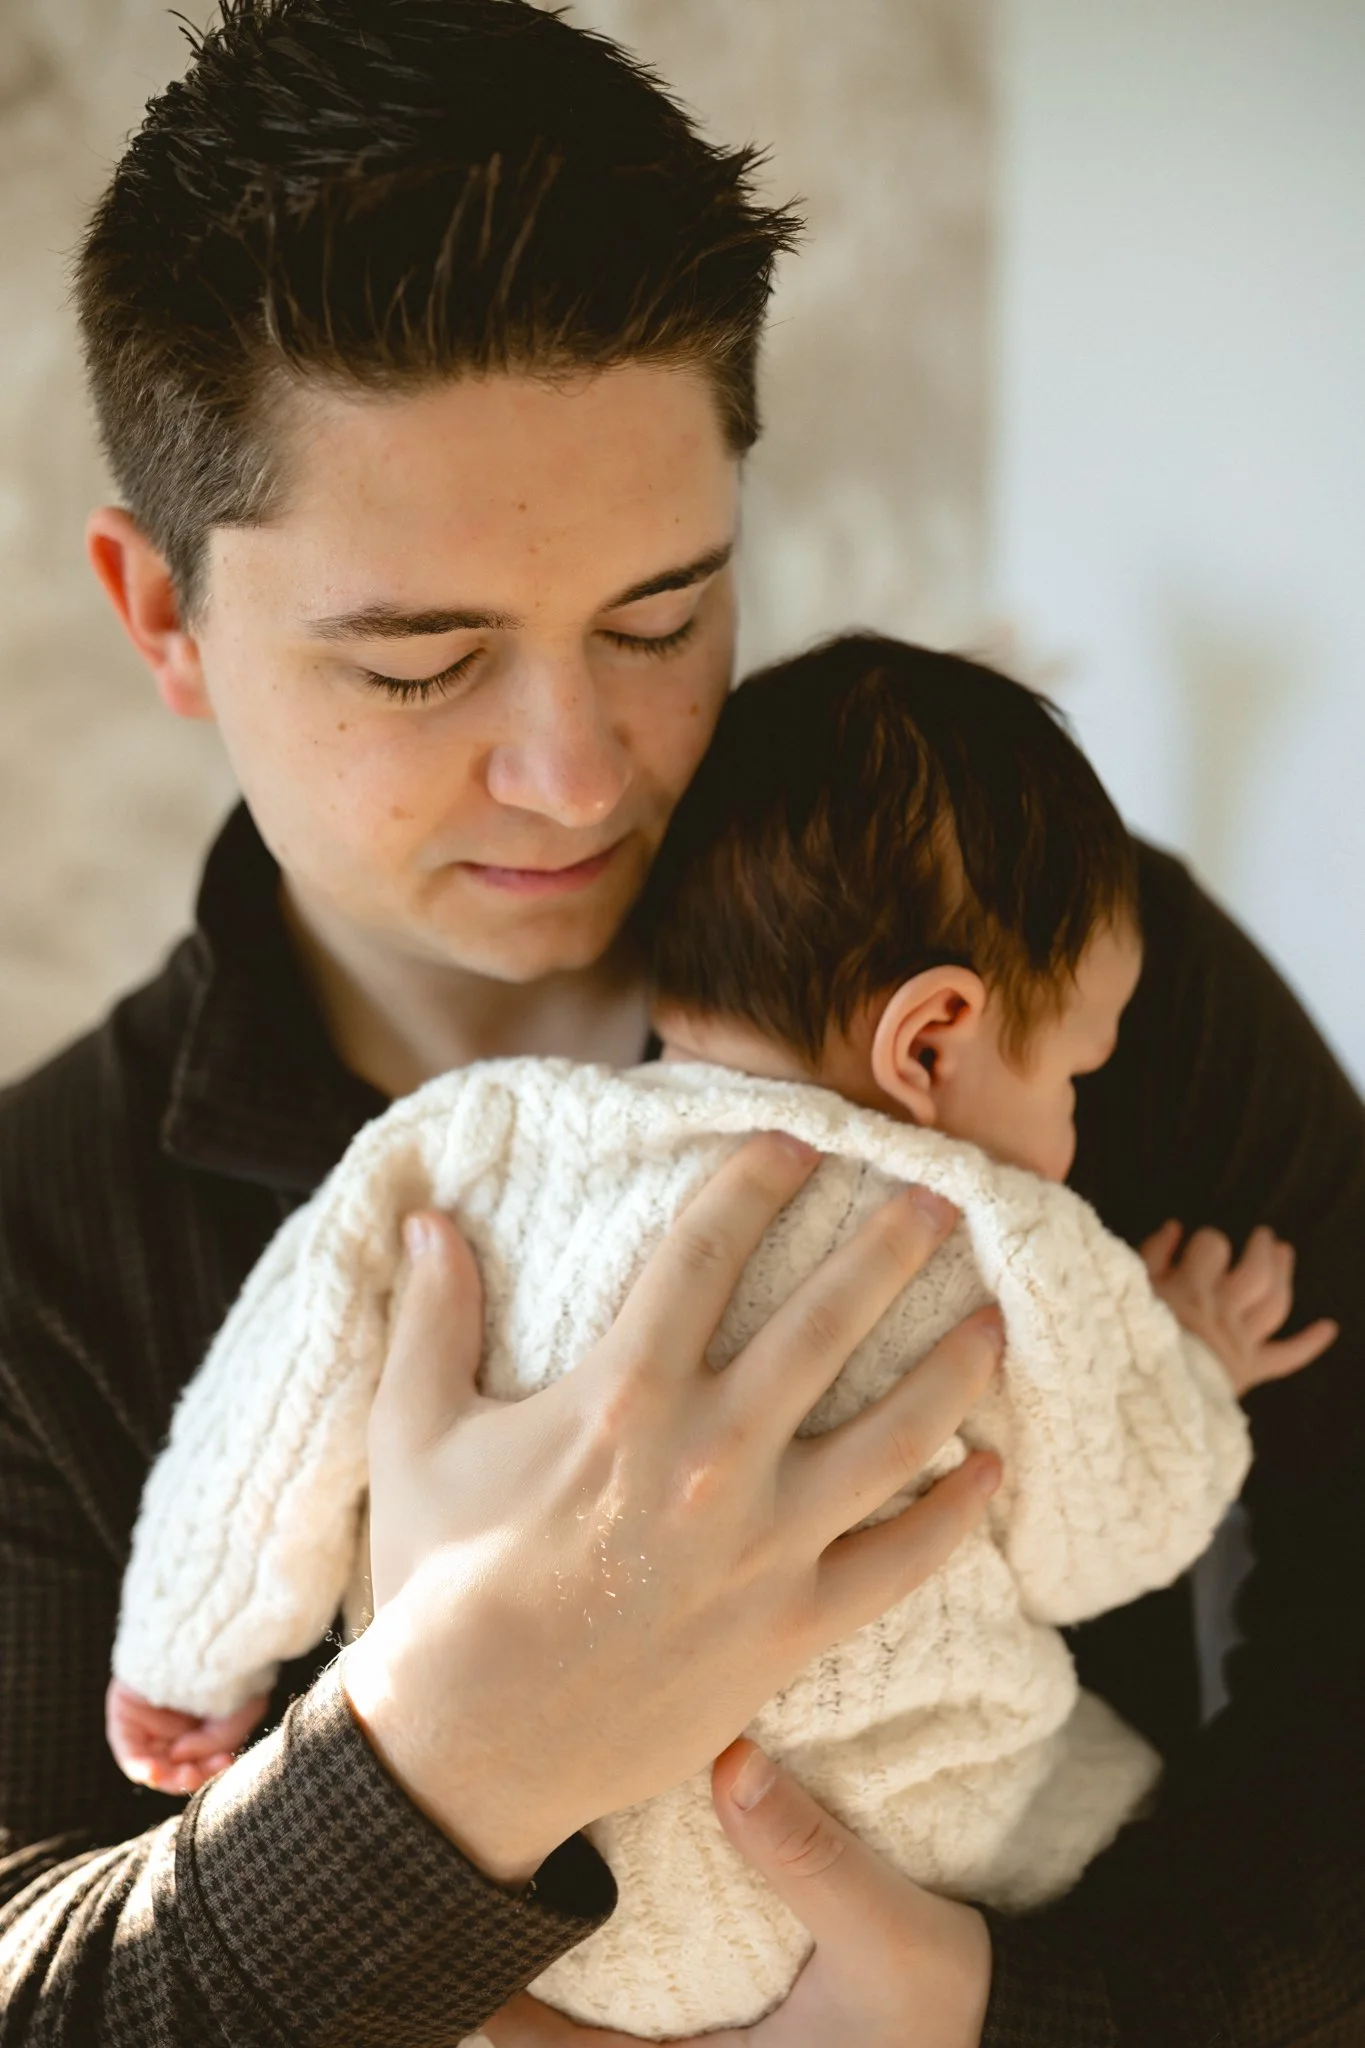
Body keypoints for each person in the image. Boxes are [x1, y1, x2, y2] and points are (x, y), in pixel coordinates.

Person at [0, 4, 1360, 2046]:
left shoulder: (1054, 970)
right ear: (164, 617)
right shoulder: (38, 1252)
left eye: (660, 618)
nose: (579, 770)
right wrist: (442, 1742)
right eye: (421, 664)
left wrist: (1012, 2013)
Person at [102, 638, 1328, 2046]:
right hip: (902, 1874)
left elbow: (275, 1393)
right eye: (1075, 1075)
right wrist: (1195, 1365)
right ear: (930, 1039)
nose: (1076, 1127)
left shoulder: (481, 1137)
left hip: (548, 1936)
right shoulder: (1011, 1235)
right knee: (1126, 1807)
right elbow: (1115, 1536)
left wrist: (188, 1655)